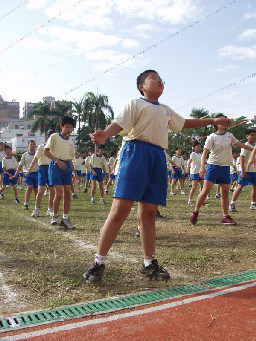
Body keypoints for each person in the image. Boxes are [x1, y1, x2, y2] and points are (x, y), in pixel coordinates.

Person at [83, 69, 234, 283]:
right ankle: (98, 263)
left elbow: (184, 124)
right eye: (153, 78)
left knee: (149, 214)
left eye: (161, 79)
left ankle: (148, 263)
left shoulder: (165, 110)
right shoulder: (135, 104)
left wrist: (211, 120)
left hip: (157, 156)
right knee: (119, 211)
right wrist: (105, 134)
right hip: (135, 153)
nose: (159, 81)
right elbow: (120, 124)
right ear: (141, 86)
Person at [190, 114, 254, 226]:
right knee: (205, 191)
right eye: (222, 120)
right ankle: (195, 212)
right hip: (213, 166)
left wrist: (253, 149)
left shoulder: (229, 135)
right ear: (215, 123)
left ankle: (225, 216)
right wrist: (202, 167)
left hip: (225, 168)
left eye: (226, 121)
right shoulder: (212, 137)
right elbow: (205, 152)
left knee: (225, 193)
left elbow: (239, 144)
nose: (225, 123)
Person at [44, 116, 77, 229]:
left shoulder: (71, 142)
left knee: (68, 193)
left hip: (66, 166)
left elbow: (70, 158)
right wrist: (57, 161)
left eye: (71, 127)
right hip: (55, 166)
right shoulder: (54, 137)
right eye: (67, 127)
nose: (69, 129)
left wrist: (73, 171)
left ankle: (65, 218)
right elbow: (46, 151)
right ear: (61, 127)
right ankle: (55, 215)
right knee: (58, 193)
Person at [26, 131, 55, 218]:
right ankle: (36, 209)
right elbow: (35, 159)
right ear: (47, 138)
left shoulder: (55, 148)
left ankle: (50, 209)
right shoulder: (42, 147)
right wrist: (29, 170)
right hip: (42, 169)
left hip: (51, 169)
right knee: (41, 190)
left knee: (52, 190)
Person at [229, 129, 256, 211]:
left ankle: (253, 203)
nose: (254, 136)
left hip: (254, 170)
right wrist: (243, 171)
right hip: (245, 170)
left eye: (255, 135)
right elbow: (242, 158)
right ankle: (232, 203)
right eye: (252, 135)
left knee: (255, 187)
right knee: (240, 186)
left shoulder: (255, 146)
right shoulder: (246, 146)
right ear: (247, 136)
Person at [12, 140, 38, 210]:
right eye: (31, 144)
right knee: (29, 187)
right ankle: (26, 204)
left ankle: (37, 204)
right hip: (27, 174)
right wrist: (16, 174)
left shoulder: (37, 155)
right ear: (28, 146)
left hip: (36, 173)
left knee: (36, 190)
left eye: (34, 144)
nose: (32, 146)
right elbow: (20, 165)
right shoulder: (25, 155)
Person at [187, 142, 204, 206]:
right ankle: (190, 201)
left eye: (200, 146)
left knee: (202, 186)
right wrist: (188, 166)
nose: (199, 147)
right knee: (194, 187)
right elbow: (190, 161)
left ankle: (201, 200)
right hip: (194, 172)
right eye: (198, 146)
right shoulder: (193, 154)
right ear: (194, 147)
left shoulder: (200, 154)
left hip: (200, 172)